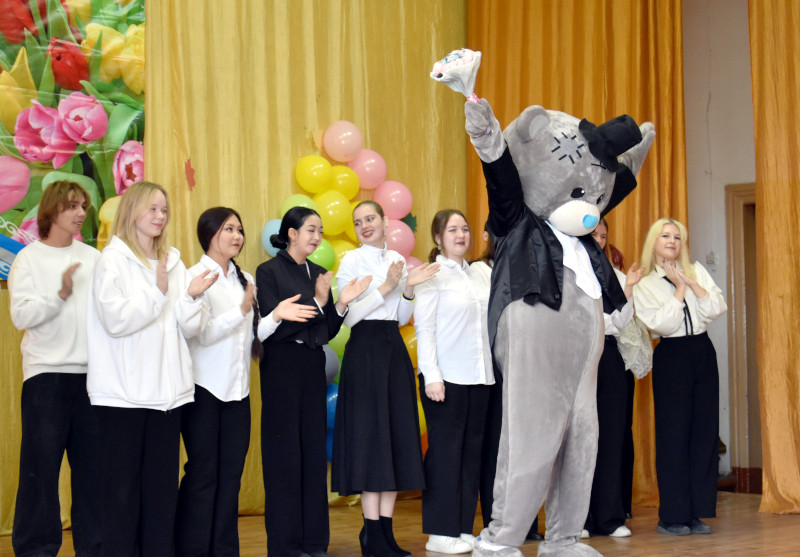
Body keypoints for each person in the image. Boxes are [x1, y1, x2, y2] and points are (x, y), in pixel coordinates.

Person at [176, 207, 318, 556]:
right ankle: (192, 549)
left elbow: (255, 335)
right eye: (228, 229)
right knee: (203, 474)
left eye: (239, 229)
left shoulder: (244, 279)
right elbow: (201, 335)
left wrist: (276, 315)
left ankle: (224, 550)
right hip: (204, 390)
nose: (237, 236)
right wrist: (239, 311)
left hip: (238, 393)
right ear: (209, 234)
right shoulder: (194, 276)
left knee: (230, 477)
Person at [86, 181, 217, 556]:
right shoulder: (111, 260)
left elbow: (190, 328)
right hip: (122, 397)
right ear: (132, 211)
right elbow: (115, 320)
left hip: (167, 397)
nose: (160, 216)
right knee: (122, 494)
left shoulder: (172, 261)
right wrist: (157, 293)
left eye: (164, 210)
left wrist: (191, 298)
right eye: (152, 208)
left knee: (161, 494)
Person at [256, 206, 371, 557]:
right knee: (284, 457)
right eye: (311, 229)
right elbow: (274, 328)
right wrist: (320, 302)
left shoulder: (319, 273)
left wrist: (341, 304)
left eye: (320, 230)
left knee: (312, 455)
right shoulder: (268, 271)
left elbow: (324, 330)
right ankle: (285, 546)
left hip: (311, 366)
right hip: (280, 367)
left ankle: (314, 542)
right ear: (291, 233)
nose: (318, 236)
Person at [331, 201, 438, 557]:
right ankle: (372, 534)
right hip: (364, 352)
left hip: (393, 350)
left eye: (370, 219)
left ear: (385, 221)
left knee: (394, 439)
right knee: (370, 441)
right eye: (358, 221)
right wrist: (388, 286)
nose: (364, 225)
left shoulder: (396, 259)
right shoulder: (351, 261)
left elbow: (403, 315)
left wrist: (407, 289)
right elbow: (350, 318)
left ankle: (385, 535)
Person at [8, 181, 102, 557]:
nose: (80, 213)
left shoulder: (94, 258)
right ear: (52, 209)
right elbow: (21, 315)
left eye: (83, 206)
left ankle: (95, 547)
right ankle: (36, 549)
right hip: (45, 377)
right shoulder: (28, 259)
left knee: (93, 472)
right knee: (40, 471)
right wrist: (60, 295)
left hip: (91, 379)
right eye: (72, 206)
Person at [633, 218, 727, 536]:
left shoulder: (696, 270)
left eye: (677, 236)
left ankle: (696, 512)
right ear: (654, 242)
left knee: (703, 432)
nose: (672, 241)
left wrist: (691, 283)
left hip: (702, 351)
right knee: (674, 434)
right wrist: (679, 291)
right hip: (672, 355)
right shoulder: (645, 283)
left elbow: (716, 308)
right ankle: (672, 516)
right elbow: (661, 325)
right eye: (665, 236)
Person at [414, 209, 494, 555]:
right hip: (445, 378)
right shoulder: (432, 274)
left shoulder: (478, 273)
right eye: (452, 230)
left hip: (479, 376)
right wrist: (431, 375)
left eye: (464, 228)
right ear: (438, 238)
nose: (461, 235)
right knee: (445, 456)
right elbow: (424, 329)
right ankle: (439, 532)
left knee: (470, 455)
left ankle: (462, 528)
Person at [473, 226, 543, 543]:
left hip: (528, 367)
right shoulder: (478, 270)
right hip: (495, 367)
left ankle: (526, 522)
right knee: (496, 447)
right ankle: (498, 520)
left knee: (527, 447)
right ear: (488, 236)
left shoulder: (530, 270)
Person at [583, 218, 644, 538]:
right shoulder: (567, 271)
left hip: (608, 355)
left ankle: (609, 517)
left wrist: (629, 286)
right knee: (579, 438)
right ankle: (578, 519)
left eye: (603, 236)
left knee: (611, 436)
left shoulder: (615, 275)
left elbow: (621, 322)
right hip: (578, 356)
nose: (599, 240)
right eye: (593, 234)